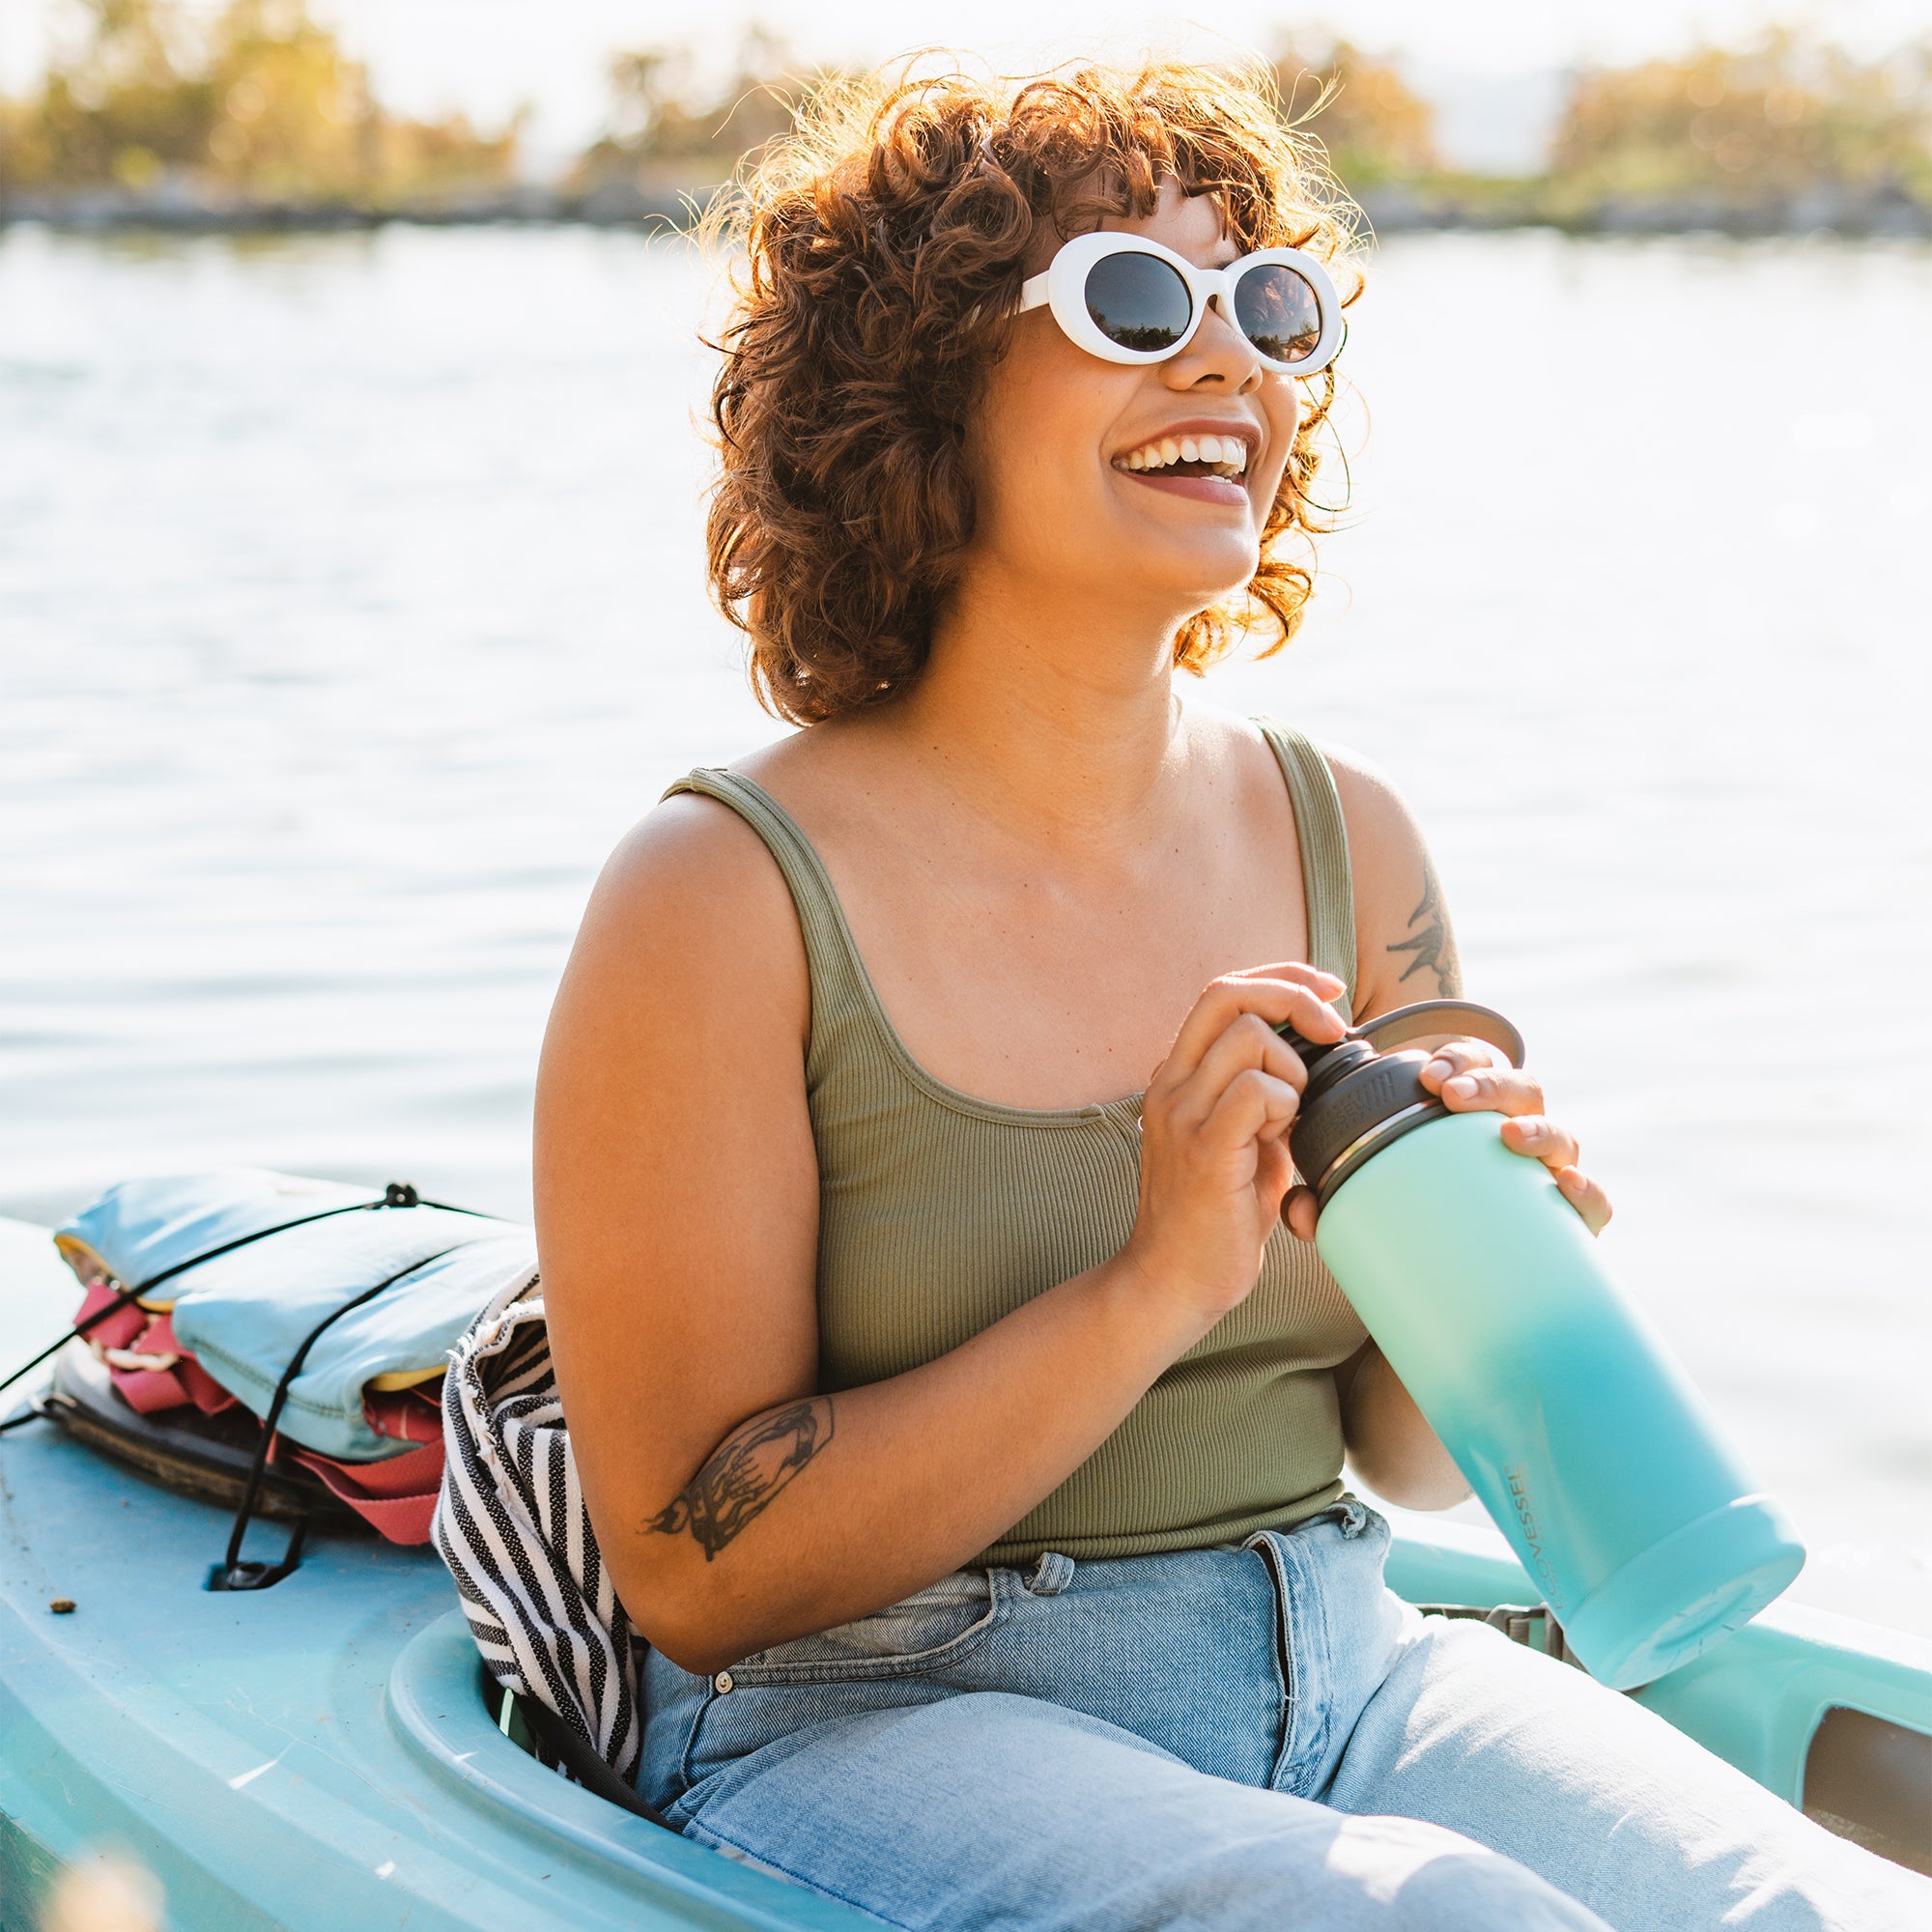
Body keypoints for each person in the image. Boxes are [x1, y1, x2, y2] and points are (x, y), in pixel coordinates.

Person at [532, 58, 1927, 1931]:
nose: (1230, 367)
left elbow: (1407, 1456)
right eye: (1134, 300)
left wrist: (1489, 1266)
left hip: (1339, 1652)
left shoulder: (1350, 837)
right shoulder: (713, 899)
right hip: (877, 1712)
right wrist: (1153, 1277)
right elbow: (695, 1573)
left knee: (1801, 1910)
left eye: (1267, 308)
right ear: (919, 383)